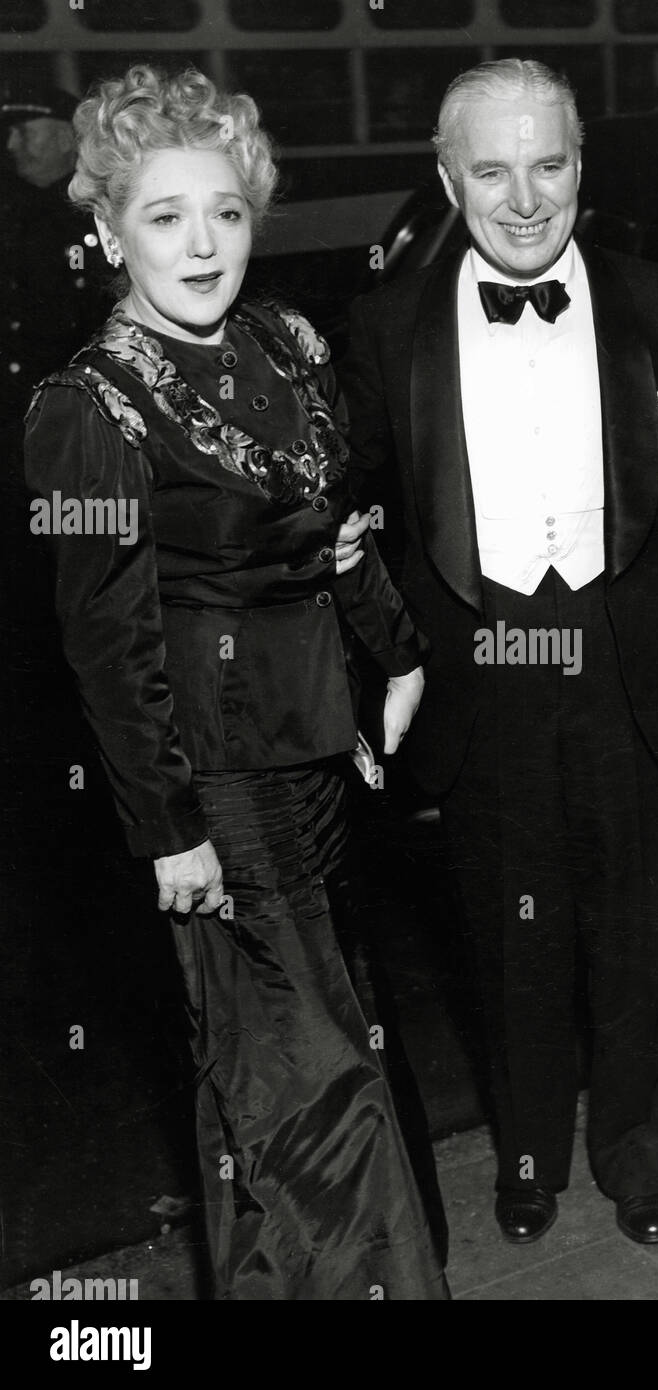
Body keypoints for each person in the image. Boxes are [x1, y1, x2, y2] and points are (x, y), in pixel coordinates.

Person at [23, 64, 449, 1299]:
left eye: (224, 210)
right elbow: (104, 642)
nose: (202, 243)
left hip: (321, 753)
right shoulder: (84, 409)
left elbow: (335, 529)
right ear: (105, 230)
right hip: (218, 786)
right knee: (315, 1079)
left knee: (280, 1071)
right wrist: (169, 833)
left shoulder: (282, 340)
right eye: (162, 216)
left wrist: (401, 648)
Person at [339, 58, 658, 1246]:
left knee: (639, 932)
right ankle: (528, 1160)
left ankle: (641, 1157)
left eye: (550, 165)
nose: (525, 200)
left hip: (628, 655)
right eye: (492, 170)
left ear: (583, 164)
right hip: (478, 671)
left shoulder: (657, 303)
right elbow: (349, 512)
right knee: (509, 939)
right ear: (446, 177)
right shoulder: (384, 324)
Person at [1, 82, 109, 427]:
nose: (11, 145)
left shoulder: (97, 214)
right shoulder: (19, 209)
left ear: (65, 140)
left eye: (23, 133)